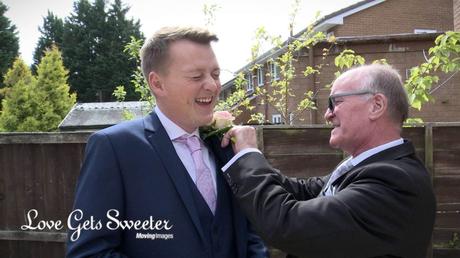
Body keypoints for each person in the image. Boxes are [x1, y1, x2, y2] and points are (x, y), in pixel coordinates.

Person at [66, 26, 267, 258]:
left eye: (215, 74)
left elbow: (250, 234)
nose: (213, 85)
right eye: (196, 76)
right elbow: (89, 253)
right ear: (157, 84)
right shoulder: (114, 149)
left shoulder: (226, 145)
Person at [220, 64, 436, 258]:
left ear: (376, 106)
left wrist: (248, 154)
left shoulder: (394, 181)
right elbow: (303, 191)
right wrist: (241, 159)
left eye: (335, 102)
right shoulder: (366, 167)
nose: (327, 114)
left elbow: (289, 224)